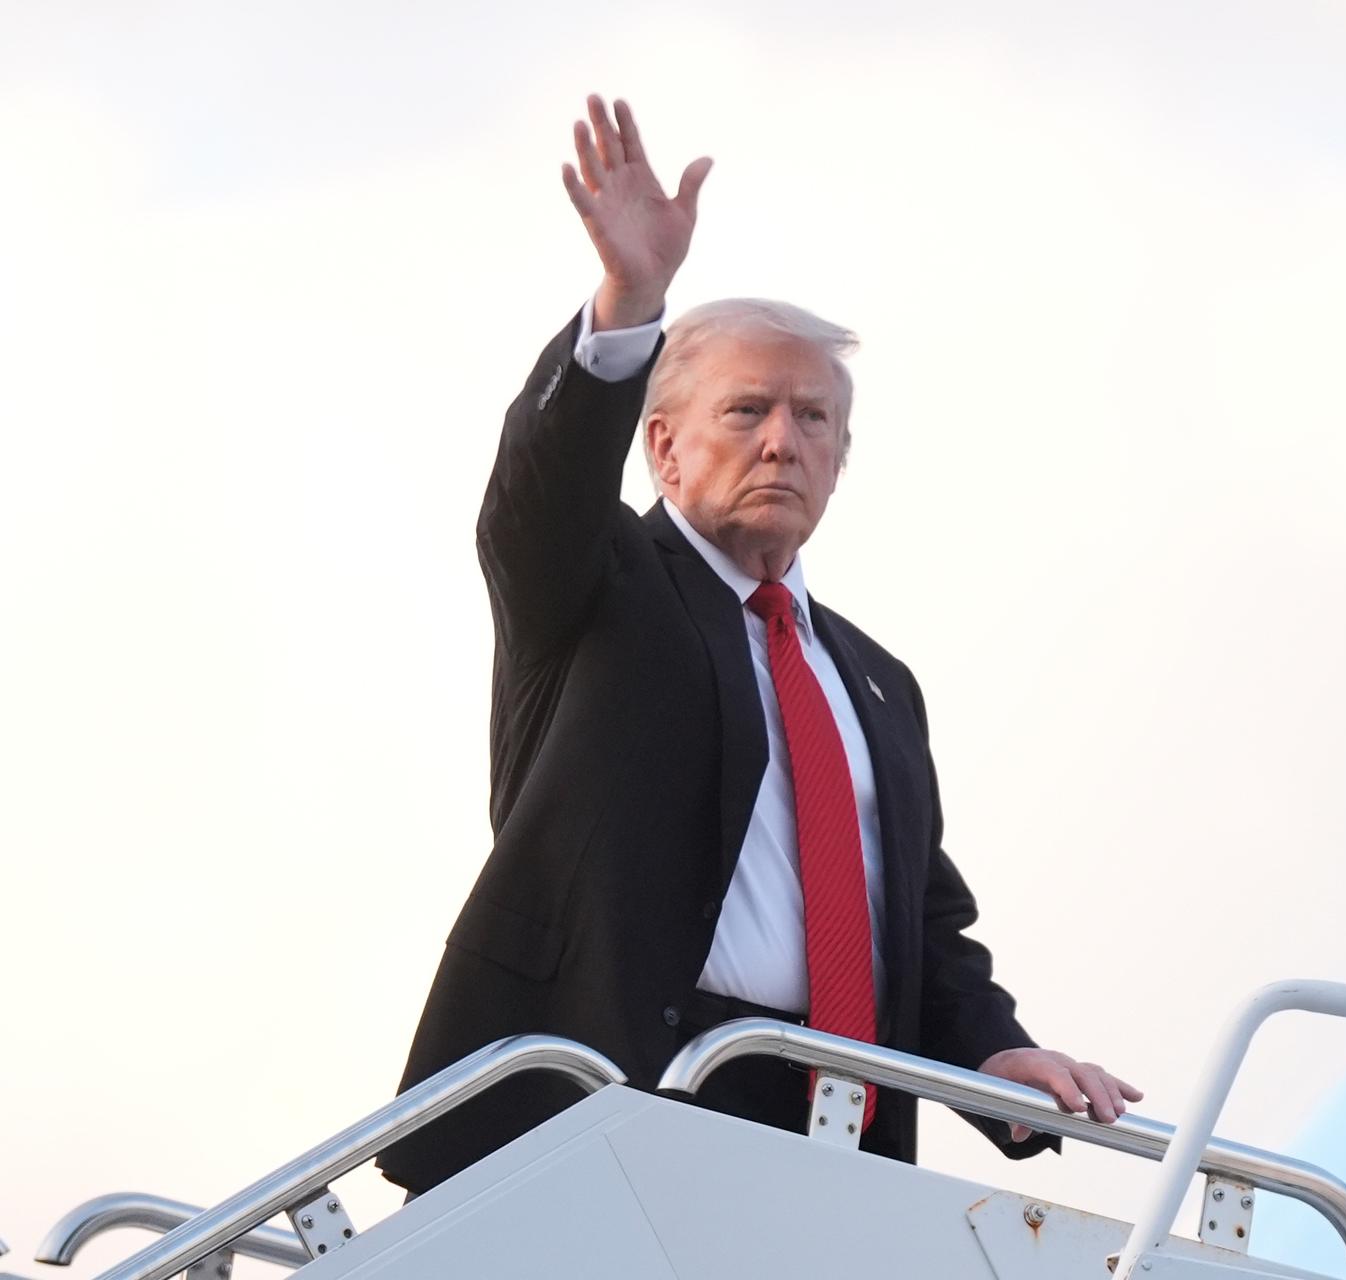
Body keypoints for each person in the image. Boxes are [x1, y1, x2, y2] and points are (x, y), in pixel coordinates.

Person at [377, 95, 1140, 1195]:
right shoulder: (600, 588)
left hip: (832, 1131)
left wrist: (992, 1048)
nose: (784, 438)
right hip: (606, 1107)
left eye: (814, 417)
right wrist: (628, 303)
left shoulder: (877, 682)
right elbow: (535, 498)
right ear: (664, 447)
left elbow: (917, 923)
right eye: (747, 410)